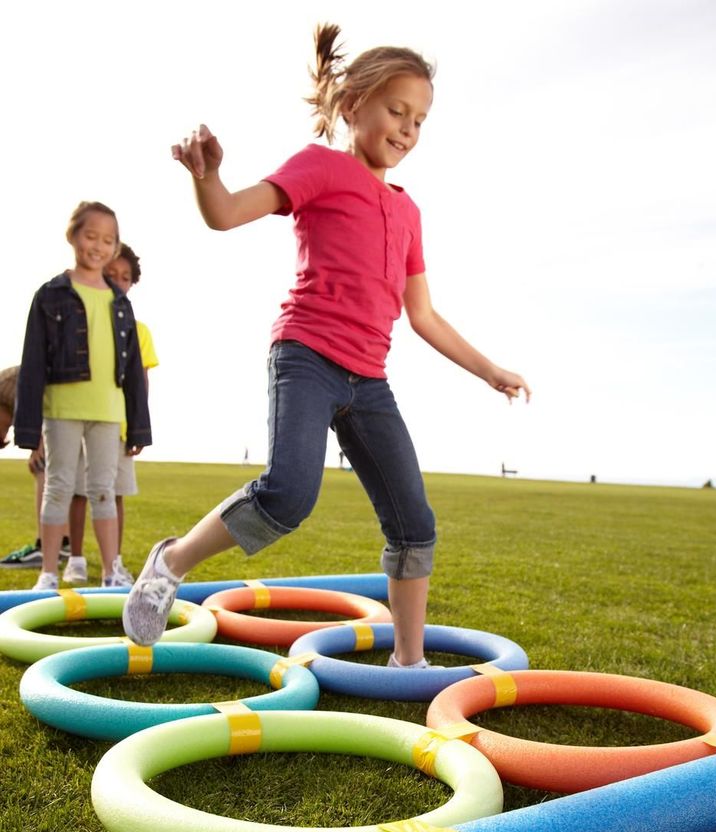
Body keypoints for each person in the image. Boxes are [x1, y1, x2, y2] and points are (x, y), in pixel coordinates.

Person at [123, 24, 530, 660]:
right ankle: (172, 563)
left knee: (414, 523)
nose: (406, 128)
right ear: (351, 105)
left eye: (419, 120)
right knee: (289, 492)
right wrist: (207, 176)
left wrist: (490, 370)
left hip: (369, 380)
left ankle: (408, 660)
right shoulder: (320, 168)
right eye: (396, 110)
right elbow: (226, 213)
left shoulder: (408, 212)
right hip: (307, 357)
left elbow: (422, 314)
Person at [14, 201, 152, 591]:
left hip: (107, 412)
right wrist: (28, 429)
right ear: (73, 236)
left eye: (108, 240)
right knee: (58, 486)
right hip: (61, 409)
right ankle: (48, 574)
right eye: (91, 236)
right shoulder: (50, 295)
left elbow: (133, 374)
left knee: (104, 490)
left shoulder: (121, 302)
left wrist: (138, 427)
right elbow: (33, 361)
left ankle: (112, 571)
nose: (98, 246)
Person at [63, 243, 159, 586]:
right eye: (111, 276)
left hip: (116, 426)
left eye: (126, 278)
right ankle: (75, 560)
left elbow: (140, 381)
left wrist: (137, 426)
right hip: (78, 419)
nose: (119, 283)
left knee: (112, 494)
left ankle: (112, 563)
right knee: (77, 491)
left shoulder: (138, 328)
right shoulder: (77, 320)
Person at [0, 366, 71, 568]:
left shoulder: (6, 388)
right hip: (65, 411)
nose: (5, 435)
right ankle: (63, 542)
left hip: (66, 409)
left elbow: (36, 404)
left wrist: (38, 444)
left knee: (43, 466)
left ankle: (46, 544)